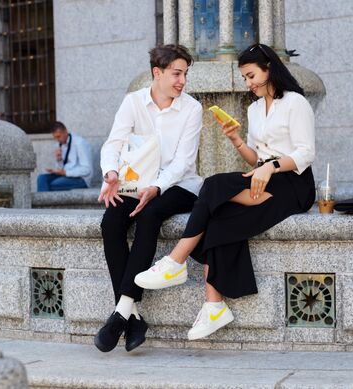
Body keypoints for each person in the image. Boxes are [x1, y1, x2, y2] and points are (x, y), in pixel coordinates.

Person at [134, 43, 316, 340]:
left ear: (269, 69)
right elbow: (256, 158)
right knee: (218, 218)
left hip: (293, 183)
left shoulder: (295, 102)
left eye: (251, 75)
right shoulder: (255, 109)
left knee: (213, 184)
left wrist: (271, 167)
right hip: (265, 177)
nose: (249, 83)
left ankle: (176, 260)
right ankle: (214, 306)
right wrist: (236, 140)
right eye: (245, 77)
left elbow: (306, 153)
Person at [94, 44, 203, 353]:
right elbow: (113, 144)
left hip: (178, 185)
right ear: (158, 73)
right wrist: (111, 173)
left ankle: (120, 312)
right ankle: (134, 318)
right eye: (176, 74)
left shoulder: (192, 109)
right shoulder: (133, 103)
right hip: (137, 182)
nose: (182, 81)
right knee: (111, 223)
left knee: (150, 214)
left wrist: (156, 188)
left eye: (185, 74)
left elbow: (183, 162)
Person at [37, 121, 93, 191]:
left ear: (65, 131)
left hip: (81, 179)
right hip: (65, 176)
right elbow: (61, 168)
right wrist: (59, 160)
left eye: (59, 136)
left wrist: (66, 173)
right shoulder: (59, 144)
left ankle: (43, 201)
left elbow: (87, 170)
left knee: (53, 184)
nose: (57, 140)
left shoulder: (79, 143)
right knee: (42, 178)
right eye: (55, 138)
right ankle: (43, 201)